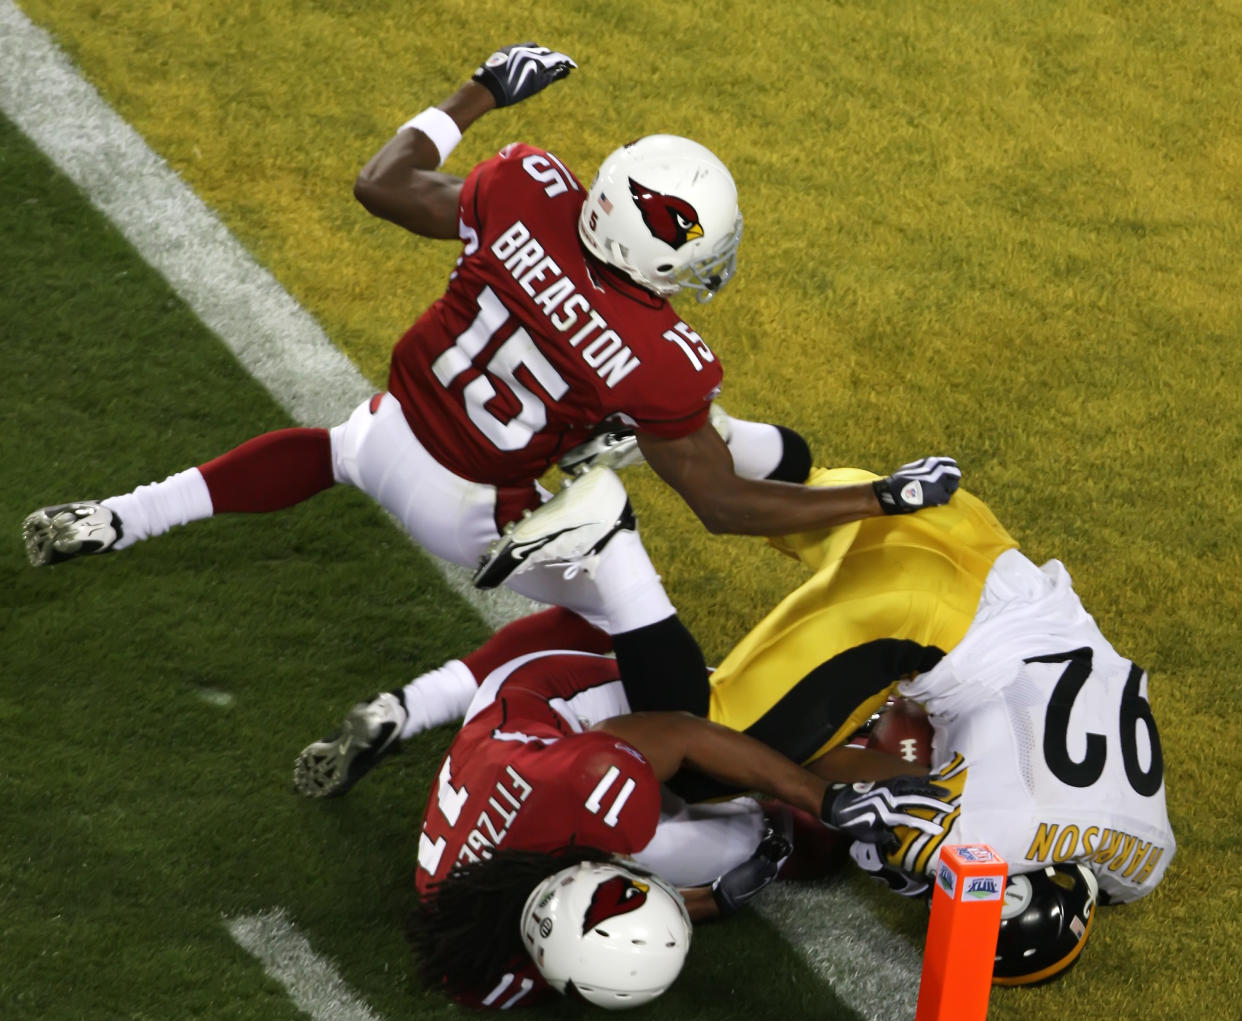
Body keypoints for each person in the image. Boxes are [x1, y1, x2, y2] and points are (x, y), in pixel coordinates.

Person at [20, 41, 961, 718]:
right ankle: (607, 757)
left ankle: (119, 516)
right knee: (628, 617)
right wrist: (882, 497)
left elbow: (382, 183)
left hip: (392, 432)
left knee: (336, 446)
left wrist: (478, 92)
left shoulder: (525, 189)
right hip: (486, 514)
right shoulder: (665, 356)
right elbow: (725, 507)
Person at [315, 456, 1174, 987]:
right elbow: (737, 757)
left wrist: (865, 789)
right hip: (922, 608)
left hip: (960, 533)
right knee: (728, 765)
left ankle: (683, 467)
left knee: (759, 759)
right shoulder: (978, 841)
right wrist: (836, 802)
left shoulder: (1143, 854)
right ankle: (629, 527)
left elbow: (878, 774)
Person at [392, 633, 950, 1010]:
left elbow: (685, 733)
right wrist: (711, 901)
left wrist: (823, 798)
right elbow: (599, 933)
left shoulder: (583, 793)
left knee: (754, 728)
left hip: (548, 703)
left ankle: (910, 759)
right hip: (542, 801)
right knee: (760, 843)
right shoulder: (479, 962)